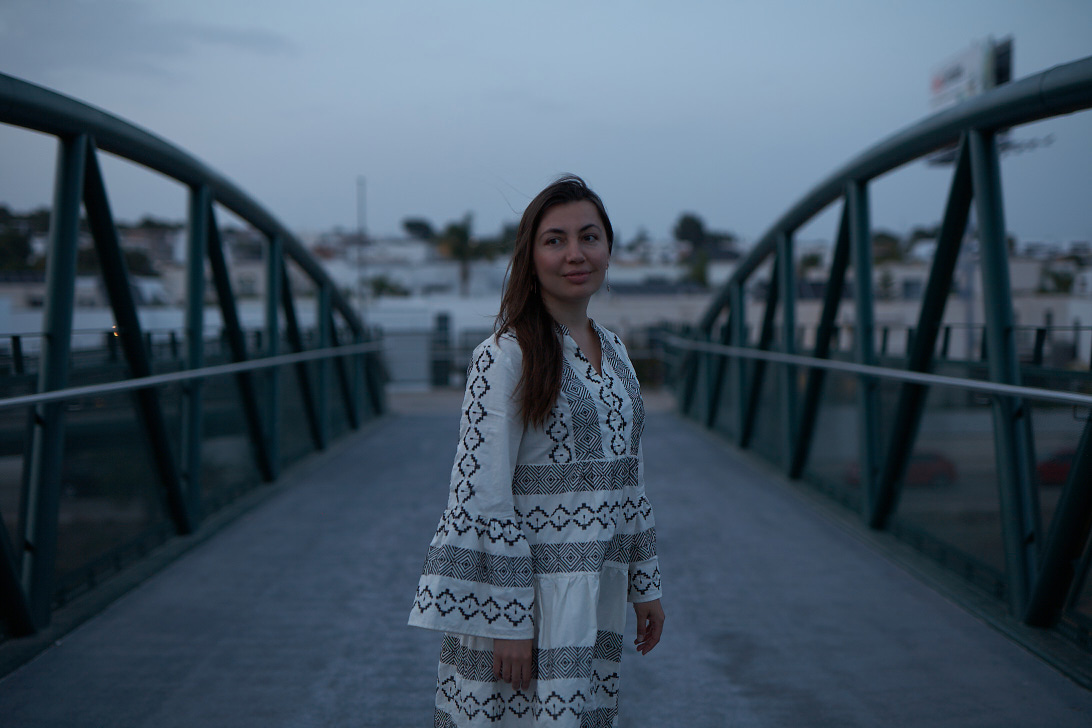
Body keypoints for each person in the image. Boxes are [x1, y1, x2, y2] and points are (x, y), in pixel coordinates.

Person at [409, 175, 664, 727]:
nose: (575, 253)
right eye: (555, 240)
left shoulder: (616, 352)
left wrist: (645, 584)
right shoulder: (503, 356)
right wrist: (506, 621)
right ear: (530, 255)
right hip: (523, 610)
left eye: (589, 237)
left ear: (609, 249)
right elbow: (480, 498)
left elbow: (630, 480)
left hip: (592, 597)